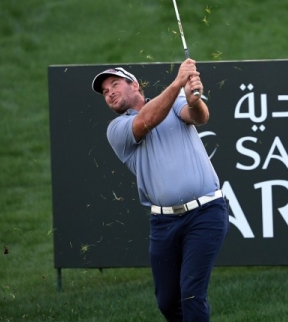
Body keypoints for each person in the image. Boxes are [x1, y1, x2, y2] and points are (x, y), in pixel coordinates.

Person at [91, 59, 229, 322]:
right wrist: (178, 82)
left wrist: (193, 99)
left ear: (134, 85)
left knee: (191, 293)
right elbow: (147, 120)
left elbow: (200, 117)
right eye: (105, 91)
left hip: (206, 213)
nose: (109, 92)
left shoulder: (175, 100)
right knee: (167, 302)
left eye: (114, 85)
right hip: (163, 223)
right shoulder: (116, 130)